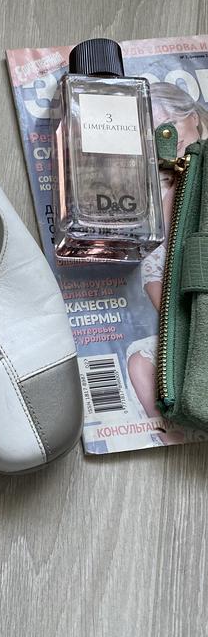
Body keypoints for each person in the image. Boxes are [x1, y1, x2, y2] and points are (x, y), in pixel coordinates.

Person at [127, 82, 208, 442]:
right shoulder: (153, 192)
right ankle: (167, 435)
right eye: (158, 131)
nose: (169, 140)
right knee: (140, 361)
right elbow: (156, 281)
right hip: (188, 310)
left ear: (194, 117)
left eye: (171, 124)